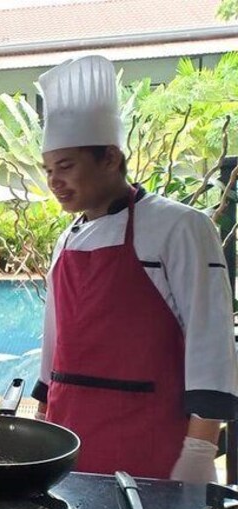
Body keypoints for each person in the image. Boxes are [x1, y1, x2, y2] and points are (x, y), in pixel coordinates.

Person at [33, 55, 238, 482]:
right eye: (49, 170)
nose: (54, 181)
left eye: (66, 166)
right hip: (70, 442)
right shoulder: (65, 241)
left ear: (110, 158)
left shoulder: (181, 227)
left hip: (152, 445)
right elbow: (54, 348)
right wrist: (40, 419)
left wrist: (200, 448)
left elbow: (212, 341)